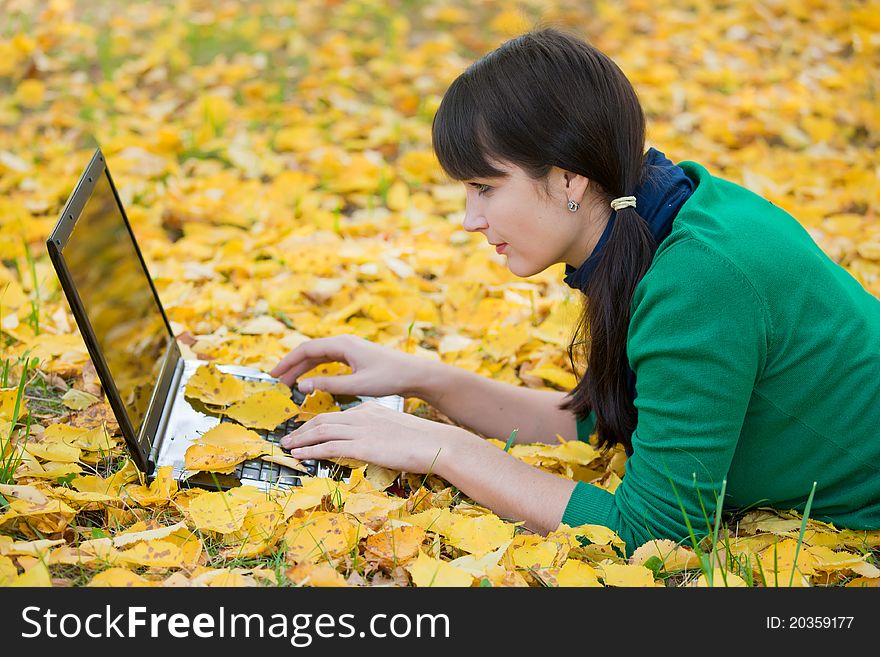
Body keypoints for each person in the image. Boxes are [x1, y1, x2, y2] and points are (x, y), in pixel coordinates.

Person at [271, 27, 880, 556]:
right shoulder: (655, 216)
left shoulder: (700, 277)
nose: (469, 219)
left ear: (567, 176)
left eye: (485, 186)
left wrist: (442, 449)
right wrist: (424, 379)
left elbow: (654, 536)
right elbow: (603, 426)